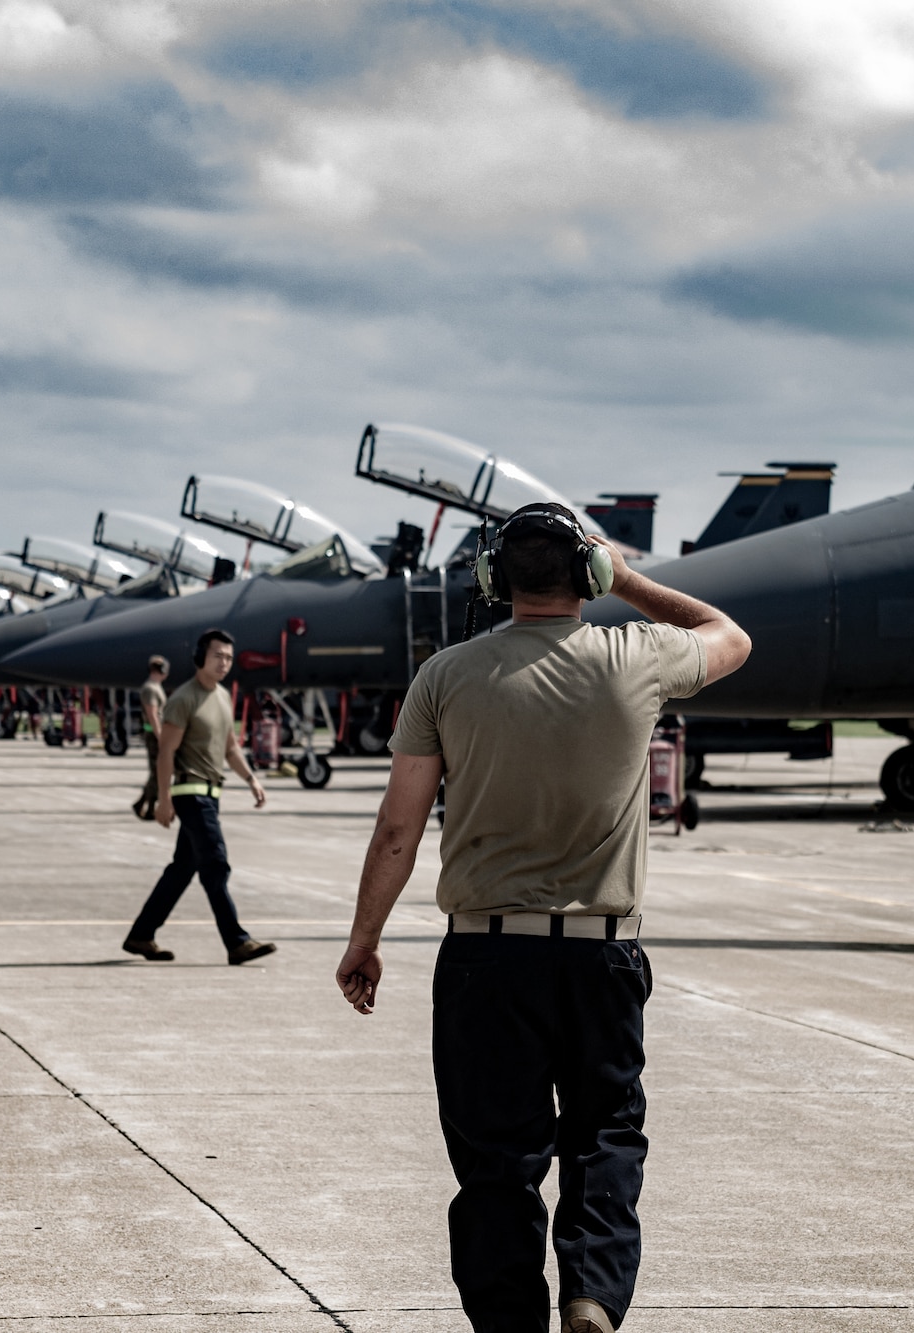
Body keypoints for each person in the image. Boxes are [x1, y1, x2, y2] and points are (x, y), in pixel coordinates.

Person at [335, 503, 751, 1333]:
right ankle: (592, 1291)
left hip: (485, 958)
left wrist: (364, 939)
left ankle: (509, 1323)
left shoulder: (445, 677)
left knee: (496, 1160)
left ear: (494, 581)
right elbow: (730, 634)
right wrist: (628, 579)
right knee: (603, 1136)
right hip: (602, 955)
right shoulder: (637, 658)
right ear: (587, 578)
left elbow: (398, 828)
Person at [123, 630, 276, 965]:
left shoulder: (222, 696)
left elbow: (230, 747)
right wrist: (164, 799)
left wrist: (251, 780)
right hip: (190, 793)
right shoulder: (183, 698)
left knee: (182, 870)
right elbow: (166, 752)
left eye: (229, 657)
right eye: (218, 656)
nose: (224, 662)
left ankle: (141, 935)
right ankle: (237, 942)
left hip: (212, 793)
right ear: (200, 658)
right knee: (215, 864)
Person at [130, 654, 170, 820]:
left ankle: (142, 804)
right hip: (153, 735)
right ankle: (149, 806)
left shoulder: (155, 687)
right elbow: (152, 714)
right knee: (157, 772)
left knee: (157, 771)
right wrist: (160, 736)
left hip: (155, 733)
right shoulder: (151, 689)